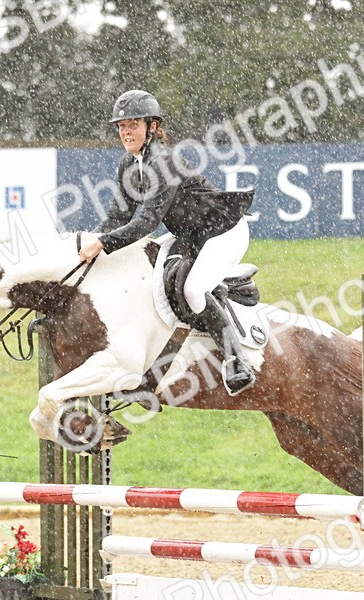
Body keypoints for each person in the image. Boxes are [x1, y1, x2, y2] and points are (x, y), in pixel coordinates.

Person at [77, 90, 257, 395]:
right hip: (189, 237)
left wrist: (104, 243)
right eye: (121, 126)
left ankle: (237, 361)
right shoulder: (129, 165)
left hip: (222, 233)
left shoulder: (163, 161)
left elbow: (145, 223)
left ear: (151, 126)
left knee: (192, 289)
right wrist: (88, 239)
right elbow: (118, 217)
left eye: (132, 124)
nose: (126, 131)